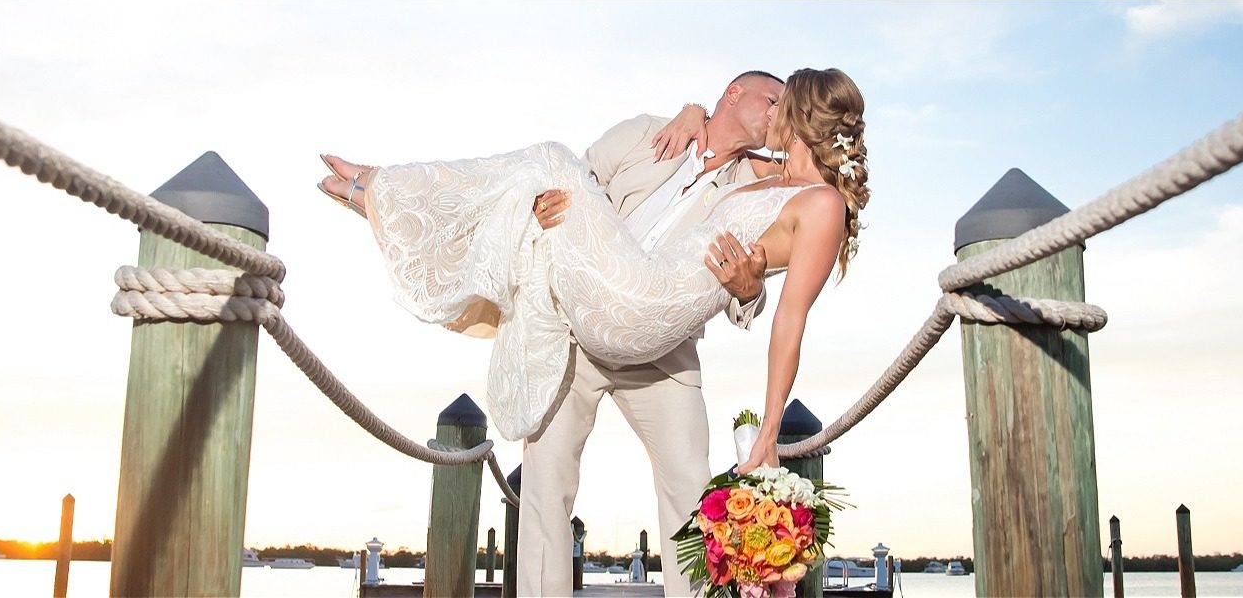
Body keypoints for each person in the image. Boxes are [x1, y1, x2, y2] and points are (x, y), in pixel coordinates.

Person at [319, 68, 869, 596]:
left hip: (654, 328)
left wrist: (753, 317)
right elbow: (580, 189)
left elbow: (787, 318)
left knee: (689, 491)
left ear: (802, 117)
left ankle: (384, 195)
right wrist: (539, 208)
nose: (774, 114)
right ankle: (388, 202)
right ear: (731, 93)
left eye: (784, 104)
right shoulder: (659, 138)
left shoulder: (783, 186)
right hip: (586, 314)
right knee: (545, 489)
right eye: (767, 99)